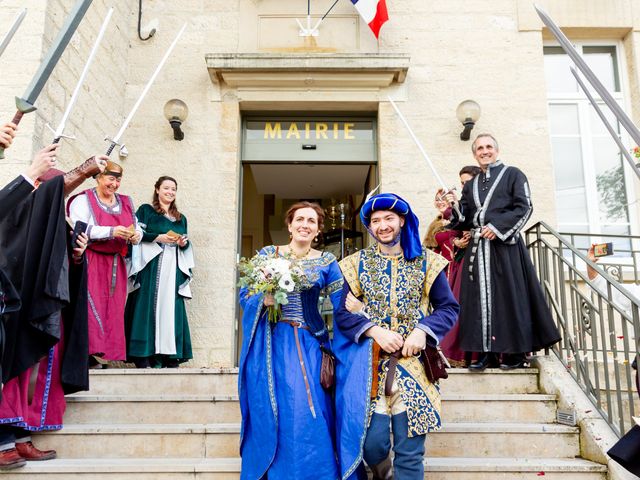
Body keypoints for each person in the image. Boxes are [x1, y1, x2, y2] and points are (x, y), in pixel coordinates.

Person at [334, 193, 459, 480]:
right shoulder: (355, 264)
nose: (382, 225)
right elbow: (342, 314)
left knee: (410, 451)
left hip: (415, 366)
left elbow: (448, 308)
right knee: (372, 445)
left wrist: (422, 331)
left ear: (401, 220)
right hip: (370, 368)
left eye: (389, 218)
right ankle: (384, 474)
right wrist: (374, 331)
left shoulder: (428, 262)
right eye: (375, 221)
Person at [0, 153, 106, 470]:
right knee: (15, 372)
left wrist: (76, 255)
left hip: (45, 310)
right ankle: (4, 440)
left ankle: (22, 437)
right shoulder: (18, 211)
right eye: (57, 192)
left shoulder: (56, 222)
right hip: (16, 308)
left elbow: (59, 270)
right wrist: (85, 170)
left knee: (37, 374)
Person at [238, 201, 343, 480]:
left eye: (311, 221)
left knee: (307, 409)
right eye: (300, 219)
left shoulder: (326, 262)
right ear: (289, 225)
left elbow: (342, 303)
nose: (304, 225)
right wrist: (264, 298)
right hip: (271, 344)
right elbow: (245, 296)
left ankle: (313, 472)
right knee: (273, 407)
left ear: (319, 229)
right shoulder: (267, 255)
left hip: (309, 343)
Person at [446, 134, 561, 370]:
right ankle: (485, 355)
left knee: (509, 299)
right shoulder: (473, 184)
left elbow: (525, 206)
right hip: (478, 251)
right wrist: (454, 206)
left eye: (489, 147)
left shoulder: (513, 174)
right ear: (474, 154)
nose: (485, 151)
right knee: (479, 302)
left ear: (496, 150)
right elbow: (465, 217)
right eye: (480, 148)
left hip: (504, 248)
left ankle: (515, 355)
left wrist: (497, 229)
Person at [67, 161, 142, 365]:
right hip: (91, 260)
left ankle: (105, 356)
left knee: (114, 309)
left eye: (118, 180)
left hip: (117, 264)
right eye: (111, 179)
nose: (115, 184)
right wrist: (112, 231)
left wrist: (136, 235)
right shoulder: (83, 200)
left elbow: (136, 226)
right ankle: (86, 355)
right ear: (98, 177)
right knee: (91, 307)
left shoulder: (125, 201)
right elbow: (81, 227)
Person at [125, 176, 193, 368]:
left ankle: (169, 356)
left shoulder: (181, 218)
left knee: (170, 308)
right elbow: (135, 235)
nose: (170, 192)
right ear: (157, 189)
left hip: (173, 269)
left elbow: (186, 244)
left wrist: (182, 243)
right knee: (146, 307)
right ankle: (144, 356)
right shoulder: (146, 211)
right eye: (166, 188)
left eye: (173, 189)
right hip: (151, 267)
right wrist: (158, 237)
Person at [424, 166, 481, 366]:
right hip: (443, 270)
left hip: (458, 267)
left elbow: (465, 231)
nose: (440, 202)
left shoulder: (459, 214)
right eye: (437, 199)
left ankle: (463, 352)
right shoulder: (435, 224)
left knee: (460, 306)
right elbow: (430, 247)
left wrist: (457, 242)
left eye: (443, 198)